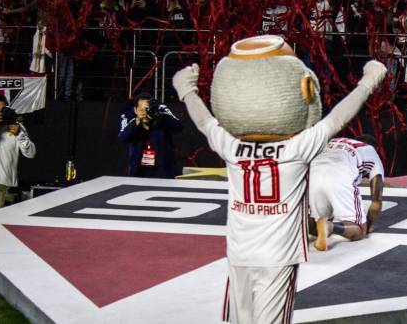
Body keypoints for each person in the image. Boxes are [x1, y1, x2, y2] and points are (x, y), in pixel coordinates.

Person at [172, 52, 387, 324]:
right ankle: (328, 226)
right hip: (278, 255)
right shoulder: (296, 147)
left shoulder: (232, 147)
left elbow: (205, 122)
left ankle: (317, 223)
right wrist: (367, 84)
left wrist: (187, 91)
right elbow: (337, 119)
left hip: (240, 253)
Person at [308, 134, 385, 251]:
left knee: (316, 222)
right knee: (359, 230)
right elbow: (376, 203)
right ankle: (330, 227)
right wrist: (367, 226)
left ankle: (298, 225)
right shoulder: (370, 151)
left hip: (312, 174)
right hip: (340, 175)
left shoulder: (334, 141)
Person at [117, 92, 183, 178]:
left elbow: (178, 127)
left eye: (147, 109)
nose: (146, 113)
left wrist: (161, 116)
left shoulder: (161, 111)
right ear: (135, 110)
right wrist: (137, 122)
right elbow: (123, 137)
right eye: (142, 110)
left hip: (163, 169)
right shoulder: (129, 116)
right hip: (138, 169)